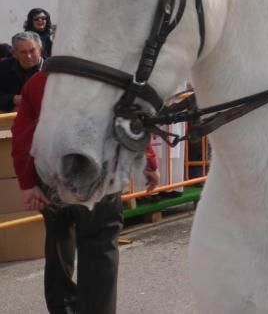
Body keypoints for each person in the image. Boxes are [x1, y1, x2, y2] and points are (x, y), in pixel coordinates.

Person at [11, 67, 159, 314]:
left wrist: (28, 184)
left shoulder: (38, 81)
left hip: (52, 172)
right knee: (100, 247)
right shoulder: (107, 73)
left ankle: (62, 307)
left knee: (58, 240)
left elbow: (22, 136)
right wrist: (149, 163)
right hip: (98, 172)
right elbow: (132, 121)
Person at [0, 31, 44, 112]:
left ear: (40, 50)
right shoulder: (3, 68)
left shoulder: (51, 71)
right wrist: (13, 99)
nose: (28, 56)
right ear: (14, 54)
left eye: (32, 51)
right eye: (23, 52)